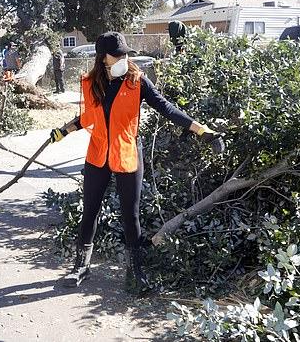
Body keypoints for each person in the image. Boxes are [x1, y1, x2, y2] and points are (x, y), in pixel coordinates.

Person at [49, 32, 224, 294]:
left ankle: (136, 272)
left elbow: (166, 108)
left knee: (131, 216)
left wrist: (202, 130)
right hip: (98, 155)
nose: (123, 58)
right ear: (103, 58)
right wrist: (64, 130)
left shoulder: (137, 82)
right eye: (117, 54)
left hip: (128, 154)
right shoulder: (90, 82)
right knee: (90, 211)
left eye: (125, 53)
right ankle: (81, 267)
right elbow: (89, 117)